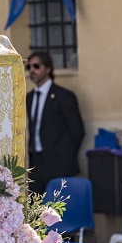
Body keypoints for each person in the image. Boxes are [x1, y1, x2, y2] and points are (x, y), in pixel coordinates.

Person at [25, 50, 85, 194]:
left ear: (48, 69)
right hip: (36, 163)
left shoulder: (64, 97)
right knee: (37, 210)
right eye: (29, 67)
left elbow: (78, 132)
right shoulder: (29, 97)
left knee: (59, 211)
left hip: (59, 165)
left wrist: (63, 158)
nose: (32, 70)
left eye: (36, 66)